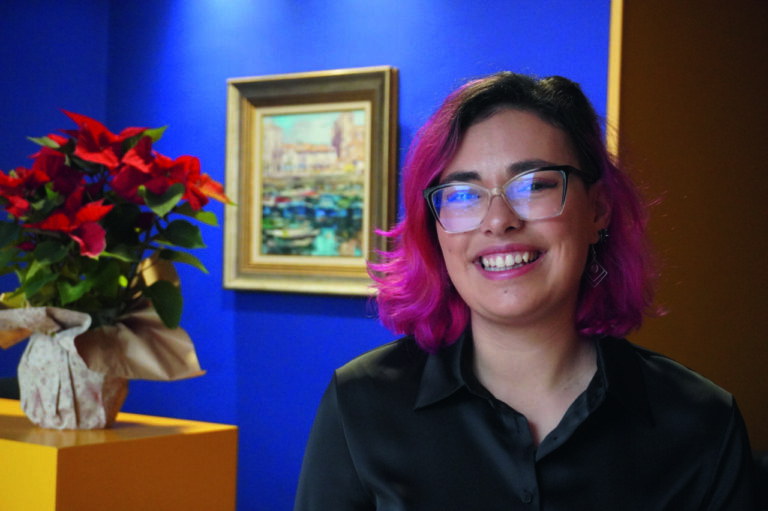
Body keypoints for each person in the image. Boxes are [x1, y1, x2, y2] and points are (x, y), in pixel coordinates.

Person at [294, 72, 758, 510]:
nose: (499, 221)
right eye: (461, 194)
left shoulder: (702, 424)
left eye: (533, 185)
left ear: (598, 209)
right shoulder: (360, 406)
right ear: (435, 228)